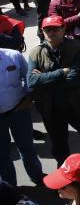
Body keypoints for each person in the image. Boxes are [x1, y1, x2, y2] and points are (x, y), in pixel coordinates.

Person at [27, 16, 80, 179]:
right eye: (47, 29)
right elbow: (31, 81)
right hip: (51, 109)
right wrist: (60, 73)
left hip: (78, 105)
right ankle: (65, 175)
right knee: (59, 146)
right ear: (42, 31)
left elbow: (75, 78)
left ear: (63, 29)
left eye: (55, 29)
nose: (51, 32)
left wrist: (46, 80)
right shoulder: (36, 52)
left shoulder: (77, 48)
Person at [0, 45, 44, 187]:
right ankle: (10, 188)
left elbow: (28, 76)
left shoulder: (13, 56)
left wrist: (29, 97)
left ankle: (37, 176)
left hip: (19, 110)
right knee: (2, 154)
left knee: (27, 147)